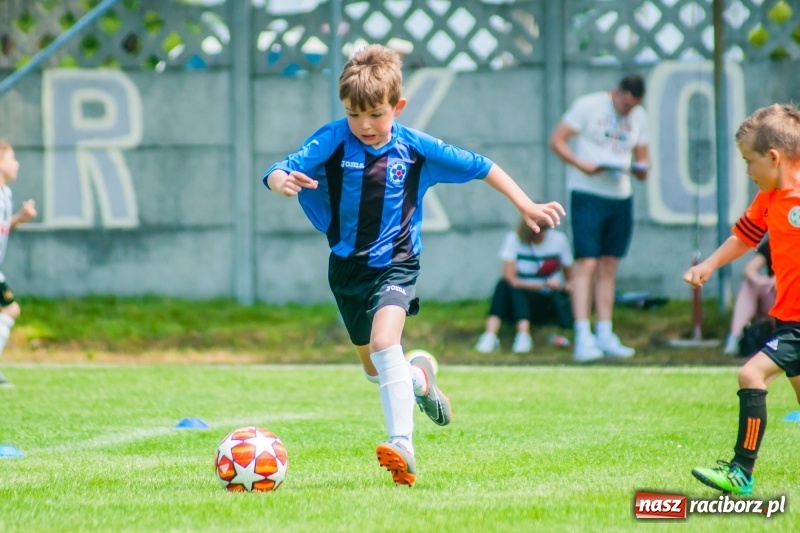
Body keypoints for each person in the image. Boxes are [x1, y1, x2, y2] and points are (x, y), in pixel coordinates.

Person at [262, 44, 565, 486]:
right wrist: (281, 183)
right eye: (354, 115)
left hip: (397, 265)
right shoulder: (332, 138)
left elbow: (483, 166)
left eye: (376, 114)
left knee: (387, 346)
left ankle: (402, 445)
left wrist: (526, 204)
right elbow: (278, 168)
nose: (364, 125)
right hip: (346, 270)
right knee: (375, 369)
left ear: (397, 107)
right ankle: (420, 377)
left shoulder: (416, 149)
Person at [683, 103, 800, 496]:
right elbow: (744, 238)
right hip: (787, 318)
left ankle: (740, 471)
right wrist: (710, 265)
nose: (747, 171)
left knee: (751, 375)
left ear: (773, 157)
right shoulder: (769, 200)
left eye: (749, 162)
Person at [549, 74, 650, 362]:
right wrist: (583, 165)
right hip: (587, 193)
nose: (627, 111)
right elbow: (557, 140)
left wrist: (641, 168)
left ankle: (605, 332)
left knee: (609, 265)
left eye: (633, 107)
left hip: (620, 195)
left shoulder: (639, 116)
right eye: (625, 105)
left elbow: (644, 160)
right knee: (587, 263)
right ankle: (583, 334)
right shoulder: (588, 106)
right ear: (616, 93)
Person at [475, 217, 574, 354]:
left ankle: (523, 335)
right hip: (517, 301)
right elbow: (509, 278)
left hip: (545, 303)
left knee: (517, 288)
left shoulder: (559, 241)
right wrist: (542, 284)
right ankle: (491, 335)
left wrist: (563, 287)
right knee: (504, 286)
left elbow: (571, 278)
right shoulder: (514, 240)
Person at [0, 141, 38, 388]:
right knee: (10, 309)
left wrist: (21, 219)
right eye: (11, 159)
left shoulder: (6, 194)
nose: (17, 164)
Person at [723, 237, 775, 355]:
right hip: (774, 300)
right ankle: (735, 338)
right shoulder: (777, 240)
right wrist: (761, 281)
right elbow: (749, 269)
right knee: (749, 285)